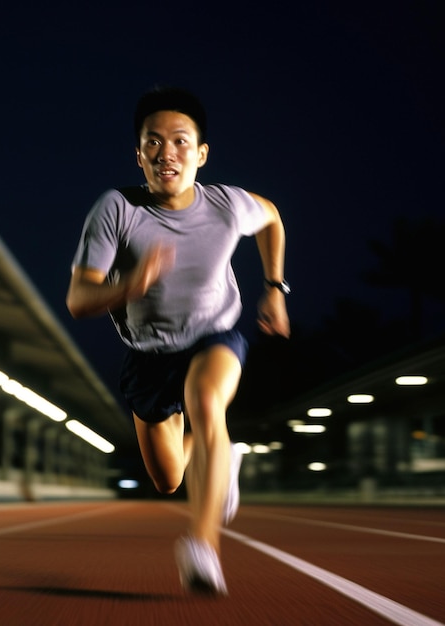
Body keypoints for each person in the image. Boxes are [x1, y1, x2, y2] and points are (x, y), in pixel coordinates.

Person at [66, 86, 290, 595]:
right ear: (139, 154)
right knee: (169, 478)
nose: (167, 153)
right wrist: (130, 285)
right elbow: (79, 299)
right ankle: (222, 454)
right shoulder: (116, 209)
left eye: (181, 142)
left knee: (207, 402)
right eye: (153, 143)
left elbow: (272, 217)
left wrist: (275, 289)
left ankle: (201, 545)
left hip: (216, 334)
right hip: (147, 353)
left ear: (201, 154)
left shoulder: (228, 205)